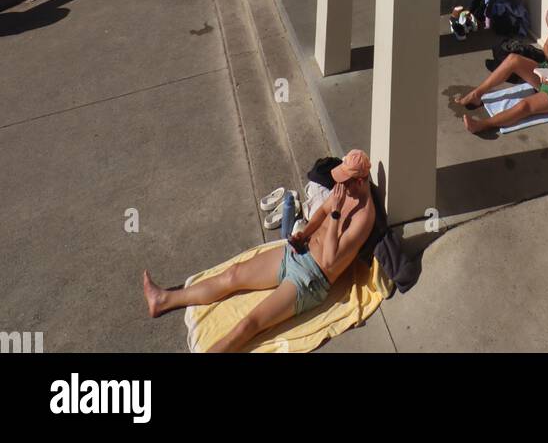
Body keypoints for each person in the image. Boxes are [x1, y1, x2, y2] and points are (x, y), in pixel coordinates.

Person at [142, 150, 376, 352]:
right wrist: (304, 234)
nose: (339, 186)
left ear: (360, 181)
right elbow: (321, 214)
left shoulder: (364, 217)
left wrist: (335, 213)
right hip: (298, 252)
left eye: (346, 181)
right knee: (232, 275)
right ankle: (163, 300)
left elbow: (330, 258)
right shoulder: (344, 193)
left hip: (310, 278)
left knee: (249, 324)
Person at [458, 5, 548, 134]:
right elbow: (546, 48)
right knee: (513, 59)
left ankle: (482, 125)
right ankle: (477, 94)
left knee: (525, 106)